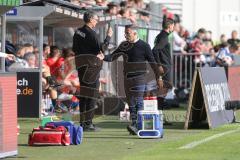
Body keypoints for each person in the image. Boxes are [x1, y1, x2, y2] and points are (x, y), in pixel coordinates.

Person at [104, 25, 162, 135]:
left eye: (128, 33)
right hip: (127, 78)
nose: (126, 36)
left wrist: (158, 77)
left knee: (138, 101)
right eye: (125, 33)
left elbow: (153, 62)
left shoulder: (144, 46)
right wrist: (102, 57)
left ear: (135, 33)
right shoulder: (124, 45)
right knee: (130, 102)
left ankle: (137, 125)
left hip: (140, 77)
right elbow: (112, 57)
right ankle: (134, 123)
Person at [72, 10, 113, 131]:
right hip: (91, 68)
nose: (97, 21)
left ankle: (83, 122)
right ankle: (88, 123)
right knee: (91, 95)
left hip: (81, 67)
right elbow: (102, 49)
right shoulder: (91, 33)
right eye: (96, 19)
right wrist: (108, 37)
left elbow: (75, 48)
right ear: (90, 19)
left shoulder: (78, 32)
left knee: (84, 95)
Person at [152, 18, 175, 118]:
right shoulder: (164, 37)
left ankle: (160, 116)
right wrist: (159, 65)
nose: (173, 27)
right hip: (164, 67)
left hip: (164, 66)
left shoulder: (161, 36)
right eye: (173, 25)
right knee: (162, 91)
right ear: (170, 26)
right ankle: (159, 117)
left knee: (163, 92)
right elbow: (155, 51)